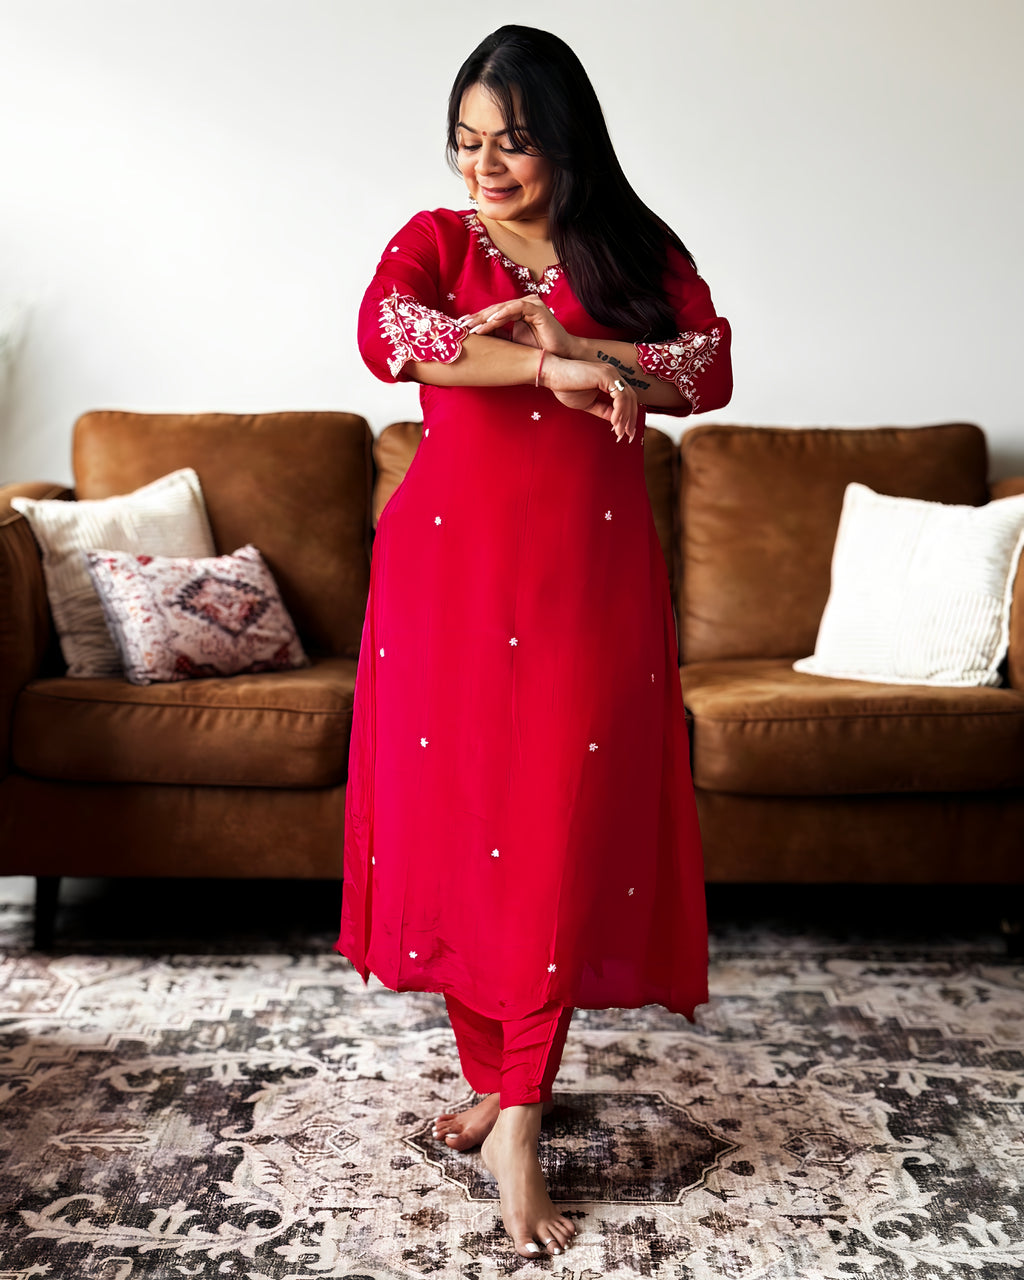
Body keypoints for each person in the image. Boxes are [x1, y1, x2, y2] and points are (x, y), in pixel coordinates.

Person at [337, 24, 732, 1259]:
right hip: (446, 575)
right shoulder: (438, 240)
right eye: (467, 142)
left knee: (554, 823)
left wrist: (587, 351)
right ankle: (505, 1082)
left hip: (584, 578)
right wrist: (535, 369)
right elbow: (387, 334)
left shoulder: (628, 246)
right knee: (467, 823)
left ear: (565, 137)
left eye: (511, 141)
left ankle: (519, 1106)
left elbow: (707, 366)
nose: (485, 167)